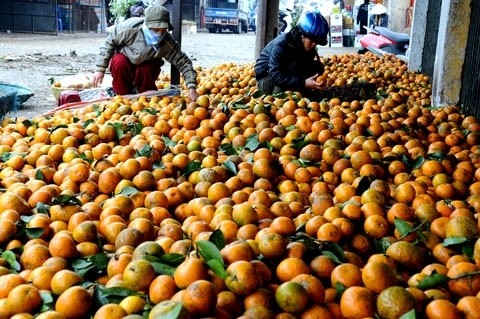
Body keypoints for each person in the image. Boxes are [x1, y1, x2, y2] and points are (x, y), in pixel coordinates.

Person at [92, 5, 198, 101]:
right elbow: (108, 45)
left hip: (146, 69)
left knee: (147, 68)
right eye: (156, 30)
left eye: (163, 30)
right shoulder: (128, 29)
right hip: (126, 62)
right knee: (119, 62)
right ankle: (122, 95)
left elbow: (183, 62)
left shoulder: (166, 42)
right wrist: (100, 69)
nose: (160, 34)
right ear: (147, 25)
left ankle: (146, 96)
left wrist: (192, 87)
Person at [254, 11, 329, 97]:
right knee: (293, 66)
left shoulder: (305, 46)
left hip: (283, 77)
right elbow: (275, 75)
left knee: (315, 67)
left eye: (316, 42)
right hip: (266, 81)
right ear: (302, 35)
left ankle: (300, 94)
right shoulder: (282, 44)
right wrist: (303, 83)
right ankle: (278, 99)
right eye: (311, 40)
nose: (314, 44)